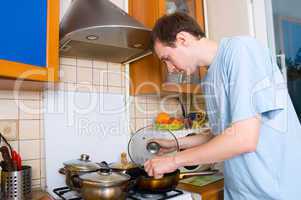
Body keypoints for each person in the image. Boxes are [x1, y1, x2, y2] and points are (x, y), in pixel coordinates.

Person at [144, 12, 301, 200]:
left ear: (182, 39)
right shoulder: (210, 78)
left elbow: (243, 138)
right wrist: (174, 144)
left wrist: (173, 161)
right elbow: (222, 135)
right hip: (240, 192)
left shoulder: (241, 50)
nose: (169, 68)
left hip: (275, 193)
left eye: (167, 58)